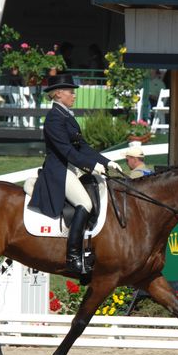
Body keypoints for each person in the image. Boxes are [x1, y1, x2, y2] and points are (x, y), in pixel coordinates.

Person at [29, 73, 122, 274]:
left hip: (72, 168)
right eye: (71, 91)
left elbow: (84, 147)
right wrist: (91, 166)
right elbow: (67, 151)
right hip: (59, 171)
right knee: (85, 204)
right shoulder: (54, 118)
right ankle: (72, 257)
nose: (74, 95)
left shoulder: (66, 117)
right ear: (58, 94)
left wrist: (107, 162)